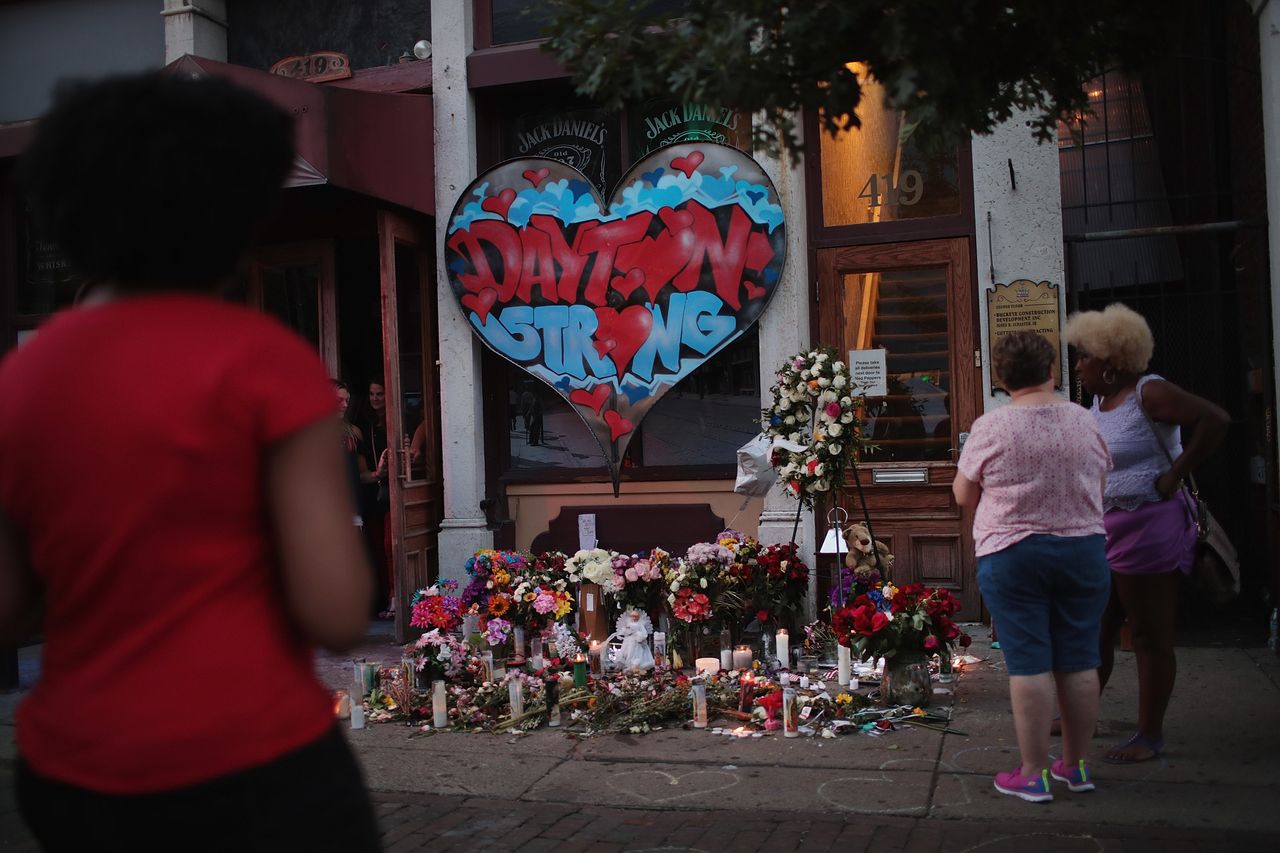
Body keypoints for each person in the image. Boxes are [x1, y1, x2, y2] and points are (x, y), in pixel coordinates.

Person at [0, 72, 380, 849]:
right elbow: (338, 611)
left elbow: (7, 605)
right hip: (254, 761)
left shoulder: (20, 381)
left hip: (78, 770)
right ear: (233, 212)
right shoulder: (264, 361)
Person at [1064, 303, 1228, 764]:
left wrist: (1177, 473)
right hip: (1104, 530)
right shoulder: (1098, 401)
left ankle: (1148, 735)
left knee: (1150, 635)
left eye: (1084, 357)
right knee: (1098, 627)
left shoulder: (1149, 393)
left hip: (1149, 527)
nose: (1078, 365)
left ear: (1111, 364)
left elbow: (1215, 419)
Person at [953, 331, 1112, 802]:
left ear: (1001, 378)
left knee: (1029, 662)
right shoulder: (1085, 421)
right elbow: (1103, 476)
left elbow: (963, 493)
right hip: (1082, 548)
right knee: (1081, 659)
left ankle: (1033, 772)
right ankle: (1077, 767)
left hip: (1013, 552)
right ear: (1052, 371)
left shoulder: (992, 428)